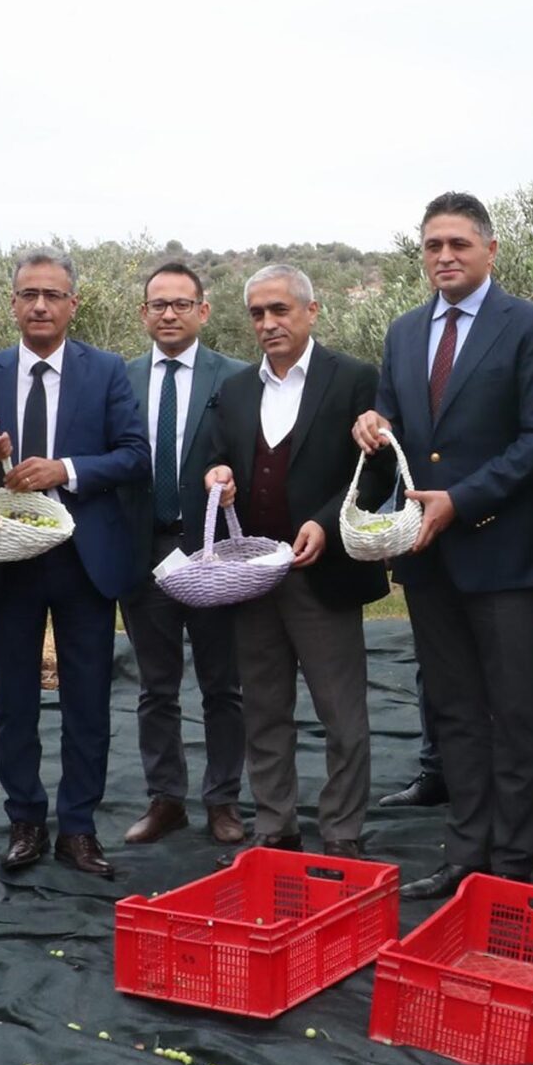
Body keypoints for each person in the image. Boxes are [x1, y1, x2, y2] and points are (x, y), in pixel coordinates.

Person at [354, 192, 533, 898]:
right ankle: (466, 854)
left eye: (459, 244)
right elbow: (400, 439)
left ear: (490, 251)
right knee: (452, 712)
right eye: (433, 246)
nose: (444, 256)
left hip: (500, 552)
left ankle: (513, 865)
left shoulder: (530, 327)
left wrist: (463, 500)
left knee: (515, 711)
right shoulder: (404, 331)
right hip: (427, 557)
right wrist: (373, 427)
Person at [0, 249, 150, 880]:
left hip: (84, 561)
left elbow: (135, 456)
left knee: (88, 701)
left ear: (72, 305)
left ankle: (78, 829)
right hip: (6, 562)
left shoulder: (107, 372)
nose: (40, 306)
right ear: (12, 303)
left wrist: (67, 470)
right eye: (29, 294)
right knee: (14, 702)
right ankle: (25, 821)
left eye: (52, 295)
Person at [202, 265, 392, 857]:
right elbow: (213, 460)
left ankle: (341, 832)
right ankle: (275, 825)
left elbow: (377, 471)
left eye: (280, 310)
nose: (268, 323)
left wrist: (326, 522)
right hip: (254, 575)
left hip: (324, 576)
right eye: (258, 313)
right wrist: (219, 478)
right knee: (263, 708)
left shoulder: (354, 380)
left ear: (312, 312)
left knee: (341, 714)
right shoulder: (235, 389)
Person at [116, 261, 249, 847]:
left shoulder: (238, 379)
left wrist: (234, 477)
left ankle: (223, 801)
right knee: (156, 686)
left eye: (180, 303)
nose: (169, 313)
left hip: (212, 555)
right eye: (158, 304)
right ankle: (165, 799)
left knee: (223, 684)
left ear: (203, 310)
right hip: (144, 553)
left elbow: (253, 454)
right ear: (144, 313)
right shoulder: (120, 380)